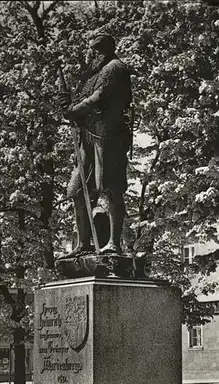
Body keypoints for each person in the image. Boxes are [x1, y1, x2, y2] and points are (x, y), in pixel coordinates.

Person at [59, 33, 132, 257]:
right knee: (77, 190)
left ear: (107, 49)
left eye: (97, 49)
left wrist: (74, 110)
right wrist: (69, 107)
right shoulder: (92, 75)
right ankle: (83, 244)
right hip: (87, 135)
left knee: (108, 187)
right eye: (92, 49)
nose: (93, 54)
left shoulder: (115, 68)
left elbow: (97, 99)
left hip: (108, 135)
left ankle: (114, 244)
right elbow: (82, 100)